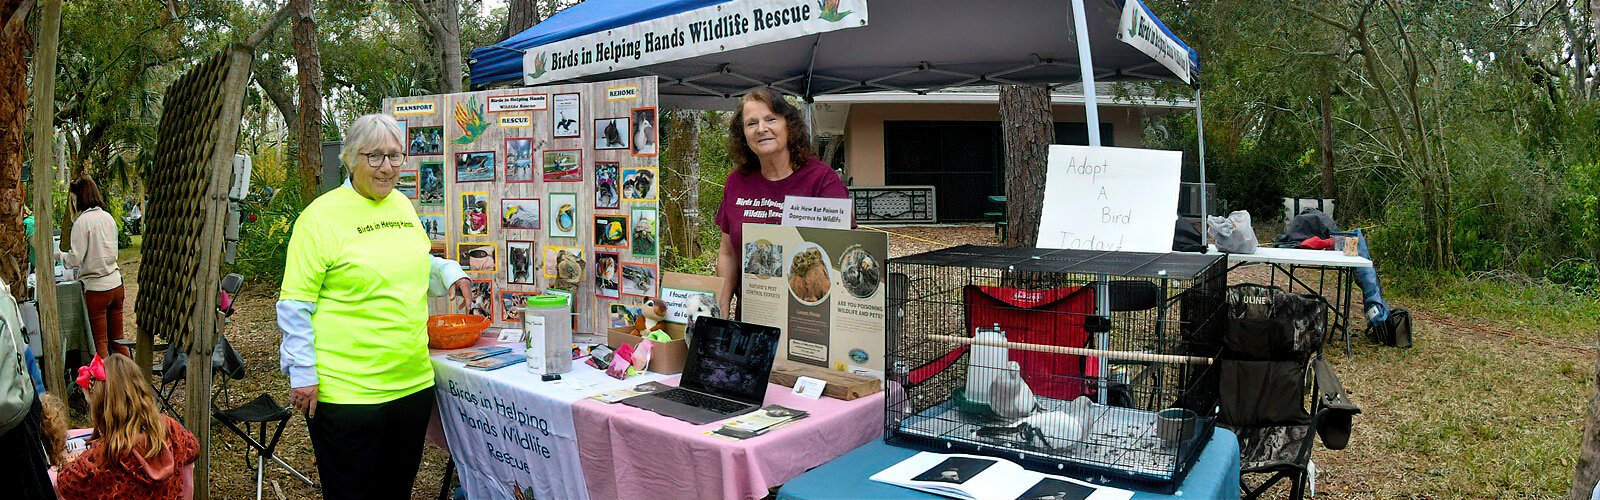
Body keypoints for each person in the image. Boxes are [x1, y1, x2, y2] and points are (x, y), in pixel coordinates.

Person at [277, 113, 470, 500]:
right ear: (350, 158)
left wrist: (450, 272)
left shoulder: (402, 205)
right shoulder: (319, 218)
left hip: (411, 386)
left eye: (395, 157)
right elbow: (295, 304)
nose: (387, 168)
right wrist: (302, 372)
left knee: (396, 491)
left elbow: (412, 263)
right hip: (348, 394)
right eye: (375, 157)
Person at [714, 87, 849, 316]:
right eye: (751, 123)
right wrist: (721, 310)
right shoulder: (736, 182)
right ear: (743, 135)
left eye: (771, 119)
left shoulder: (822, 179)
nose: (762, 129)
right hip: (754, 316)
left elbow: (841, 251)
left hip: (809, 315)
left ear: (789, 126)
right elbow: (727, 254)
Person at [56, 354, 199, 499]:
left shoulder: (103, 456)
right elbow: (191, 458)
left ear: (100, 407)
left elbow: (64, 485)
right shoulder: (172, 429)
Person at [65, 177, 129, 357]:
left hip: (96, 289)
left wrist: (60, 256)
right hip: (116, 284)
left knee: (101, 345)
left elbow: (75, 259)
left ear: (78, 198)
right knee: (119, 341)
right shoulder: (108, 217)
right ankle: (131, 381)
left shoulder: (81, 222)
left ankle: (106, 384)